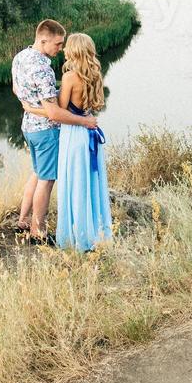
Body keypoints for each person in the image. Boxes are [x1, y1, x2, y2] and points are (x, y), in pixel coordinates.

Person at [11, 19, 98, 245]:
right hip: (46, 132)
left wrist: (29, 107)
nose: (61, 49)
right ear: (43, 39)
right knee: (47, 180)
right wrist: (84, 121)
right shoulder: (43, 69)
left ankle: (22, 221)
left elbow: (15, 89)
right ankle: (37, 232)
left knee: (37, 172)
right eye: (58, 44)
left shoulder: (21, 57)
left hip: (28, 127)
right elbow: (54, 113)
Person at [44, 33, 112, 252]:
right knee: (90, 184)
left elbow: (60, 110)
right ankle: (94, 230)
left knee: (74, 184)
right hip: (90, 132)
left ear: (74, 51)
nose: (63, 50)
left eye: (67, 47)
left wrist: (36, 107)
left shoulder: (71, 77)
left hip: (74, 134)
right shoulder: (94, 73)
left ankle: (77, 237)